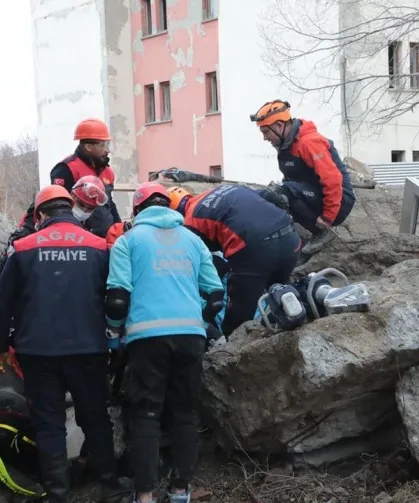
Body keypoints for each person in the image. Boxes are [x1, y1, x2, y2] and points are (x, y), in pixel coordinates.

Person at [0, 185, 130, 503]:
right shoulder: (100, 246)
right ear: (70, 209)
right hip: (88, 347)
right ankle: (109, 483)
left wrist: (2, 347)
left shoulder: (22, 248)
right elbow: (114, 297)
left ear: (40, 214)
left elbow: (3, 304)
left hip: (37, 351)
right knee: (95, 415)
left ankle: (58, 492)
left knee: (48, 422)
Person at [105, 182, 224, 503]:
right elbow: (215, 296)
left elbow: (117, 299)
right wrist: (198, 323)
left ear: (137, 211)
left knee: (145, 414)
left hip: (146, 339)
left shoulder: (127, 242)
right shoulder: (193, 240)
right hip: (190, 338)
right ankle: (180, 490)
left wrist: (115, 335)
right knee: (184, 413)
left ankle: (144, 495)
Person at [167, 184, 301, 336]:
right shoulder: (224, 189)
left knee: (238, 318)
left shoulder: (190, 221)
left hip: (255, 250)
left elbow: (202, 262)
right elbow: (271, 196)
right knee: (280, 298)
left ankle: (232, 355)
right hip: (290, 238)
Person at [250, 100, 356, 255]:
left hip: (340, 201)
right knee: (278, 194)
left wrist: (328, 217)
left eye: (266, 132)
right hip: (314, 193)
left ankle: (322, 232)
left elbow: (333, 181)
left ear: (279, 126)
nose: (265, 138)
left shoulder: (309, 143)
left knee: (286, 191)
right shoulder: (287, 144)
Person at [0, 175, 110, 275]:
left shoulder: (98, 222)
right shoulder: (46, 206)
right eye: (81, 204)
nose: (84, 211)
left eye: (90, 208)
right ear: (72, 195)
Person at [49, 118, 121, 237]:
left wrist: (118, 227)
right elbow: (58, 206)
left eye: (108, 144)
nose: (107, 150)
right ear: (88, 146)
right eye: (103, 145)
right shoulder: (66, 168)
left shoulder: (108, 172)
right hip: (77, 237)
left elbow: (109, 203)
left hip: (105, 237)